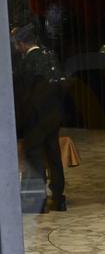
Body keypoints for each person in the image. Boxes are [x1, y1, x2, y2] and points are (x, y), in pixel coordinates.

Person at [12, 24, 66, 212]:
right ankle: (59, 199)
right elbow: (61, 86)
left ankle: (40, 202)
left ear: (21, 44)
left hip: (34, 118)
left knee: (35, 159)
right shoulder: (50, 57)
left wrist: (20, 124)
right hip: (52, 116)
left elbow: (21, 95)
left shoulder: (25, 64)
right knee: (54, 156)